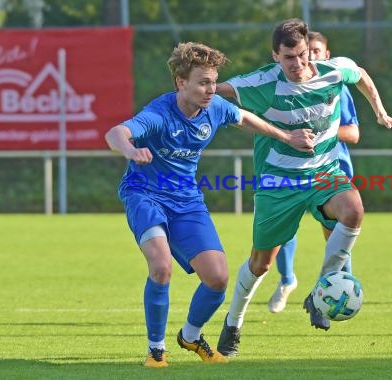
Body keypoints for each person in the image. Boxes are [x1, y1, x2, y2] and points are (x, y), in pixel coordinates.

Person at [105, 42, 314, 367]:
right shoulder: (160, 113)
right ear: (180, 83)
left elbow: (244, 117)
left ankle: (190, 336)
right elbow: (116, 132)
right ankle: (156, 350)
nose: (210, 89)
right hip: (144, 194)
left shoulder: (215, 107)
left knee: (217, 278)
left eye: (213, 82)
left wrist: (286, 138)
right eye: (202, 82)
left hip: (186, 200)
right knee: (161, 267)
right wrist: (131, 151)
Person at [215, 19, 392, 356]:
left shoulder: (333, 70)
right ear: (275, 56)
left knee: (354, 211)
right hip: (278, 182)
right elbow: (215, 92)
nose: (298, 64)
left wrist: (381, 112)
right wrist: (187, 95)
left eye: (302, 55)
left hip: (324, 173)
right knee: (261, 264)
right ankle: (232, 323)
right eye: (289, 57)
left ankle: (321, 288)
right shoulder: (260, 83)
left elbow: (359, 73)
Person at [268, 30, 360, 315]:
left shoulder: (336, 86)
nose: (313, 57)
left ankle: (338, 292)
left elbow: (353, 132)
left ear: (326, 56)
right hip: (290, 170)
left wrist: (320, 131)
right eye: (311, 51)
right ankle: (287, 281)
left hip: (329, 171)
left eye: (317, 51)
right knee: (282, 231)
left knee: (336, 234)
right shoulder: (283, 87)